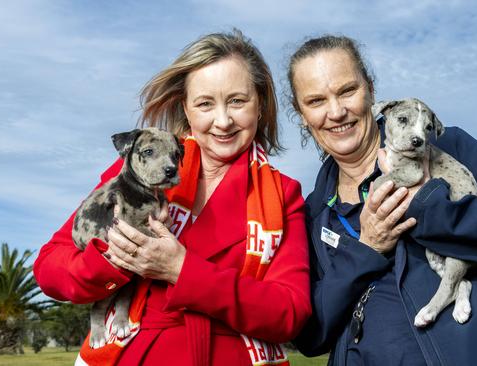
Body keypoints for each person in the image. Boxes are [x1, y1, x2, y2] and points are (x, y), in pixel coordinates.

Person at [34, 30, 311, 366]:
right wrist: (113, 258)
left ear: (260, 103)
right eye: (205, 103)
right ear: (187, 108)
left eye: (237, 101)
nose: (222, 121)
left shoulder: (283, 193)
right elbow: (50, 267)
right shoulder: (136, 169)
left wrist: (182, 270)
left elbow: (290, 312)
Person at [287, 35, 477, 365]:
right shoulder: (314, 213)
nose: (336, 111)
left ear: (371, 91)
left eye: (347, 91)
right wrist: (366, 249)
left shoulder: (448, 149)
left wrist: (432, 205)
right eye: (316, 101)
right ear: (302, 114)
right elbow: (310, 334)